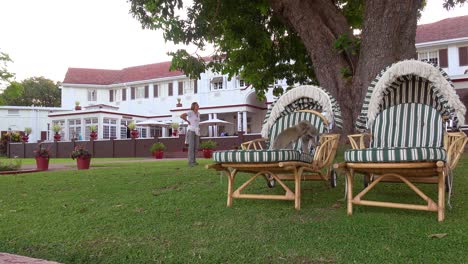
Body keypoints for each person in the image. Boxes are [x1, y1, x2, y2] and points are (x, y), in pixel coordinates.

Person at [180, 102, 200, 166]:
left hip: (196, 131)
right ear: (193, 106)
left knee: (196, 146)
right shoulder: (190, 112)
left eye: (198, 105)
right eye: (196, 105)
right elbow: (181, 115)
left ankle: (194, 161)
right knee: (191, 146)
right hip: (191, 130)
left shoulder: (198, 113)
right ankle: (190, 162)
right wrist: (187, 121)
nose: (197, 106)